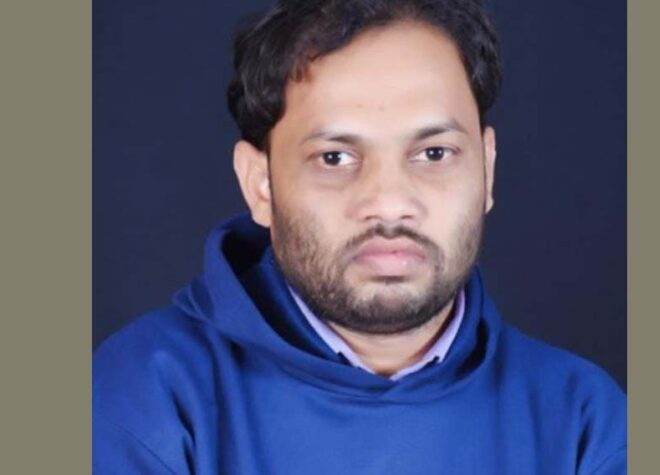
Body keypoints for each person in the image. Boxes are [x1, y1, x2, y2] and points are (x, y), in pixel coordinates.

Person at [93, 0, 627, 473]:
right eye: (335, 158)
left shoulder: (585, 422)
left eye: (434, 153)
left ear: (487, 169)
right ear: (260, 185)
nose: (389, 203)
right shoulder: (137, 401)